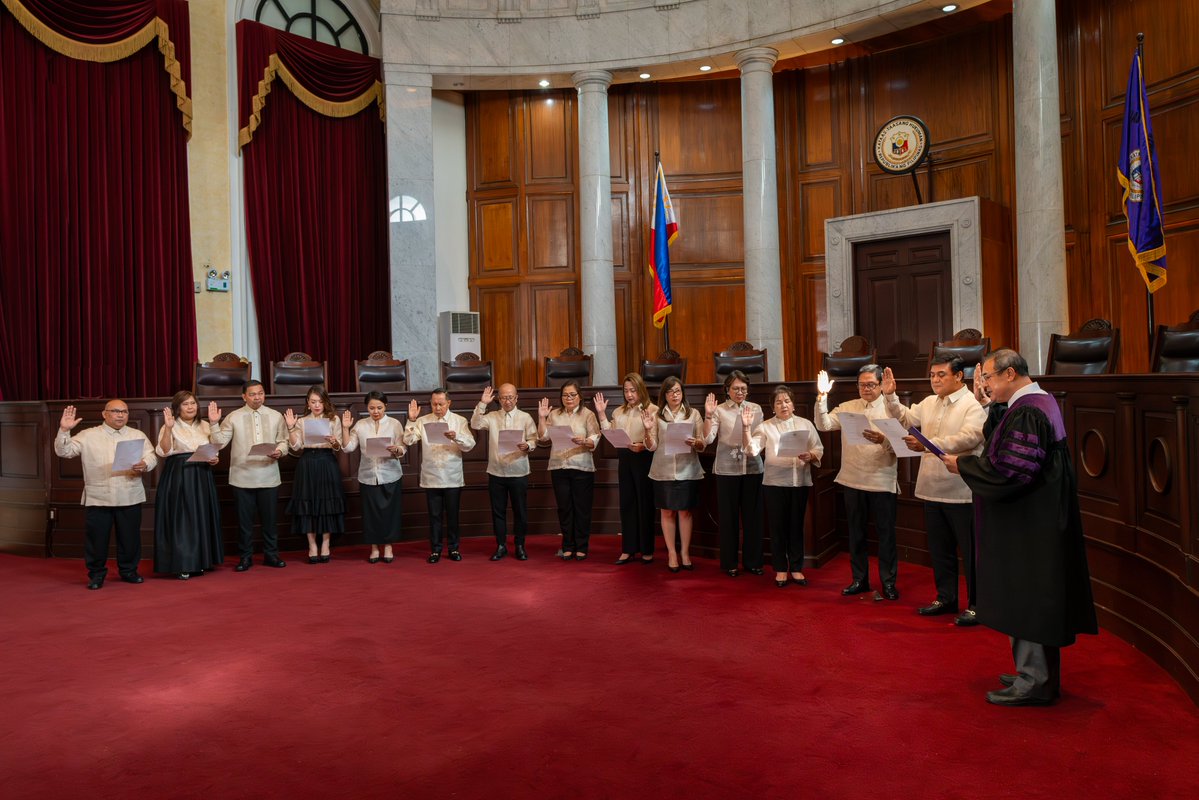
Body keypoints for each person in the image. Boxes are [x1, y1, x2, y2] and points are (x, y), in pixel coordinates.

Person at [943, 349, 1098, 706]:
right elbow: (1004, 442)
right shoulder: (1036, 403)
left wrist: (963, 466)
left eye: (990, 379)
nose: (986, 385)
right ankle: (1032, 672)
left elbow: (1010, 470)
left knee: (1029, 597)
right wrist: (992, 404)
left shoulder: (1029, 412)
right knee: (1027, 595)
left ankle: (1035, 681)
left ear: (1010, 374)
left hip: (1030, 524)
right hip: (1035, 519)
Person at [881, 358, 986, 624]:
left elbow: (970, 437)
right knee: (940, 551)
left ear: (960, 376)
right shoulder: (929, 402)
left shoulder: (971, 405)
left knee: (972, 554)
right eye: (932, 375)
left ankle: (978, 605)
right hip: (931, 488)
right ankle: (946, 598)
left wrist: (927, 444)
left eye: (941, 374)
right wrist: (890, 395)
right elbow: (905, 418)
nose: (935, 380)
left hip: (961, 491)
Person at [814, 364, 900, 600]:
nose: (866, 389)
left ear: (882, 385)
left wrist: (884, 440)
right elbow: (824, 425)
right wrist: (822, 397)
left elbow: (902, 447)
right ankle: (859, 579)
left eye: (871, 384)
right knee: (856, 534)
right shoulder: (849, 407)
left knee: (886, 536)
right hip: (852, 478)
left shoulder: (893, 408)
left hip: (882, 479)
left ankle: (889, 582)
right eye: (862, 384)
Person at [54, 400, 157, 589]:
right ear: (104, 414)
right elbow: (64, 451)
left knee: (130, 538)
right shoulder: (88, 435)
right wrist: (64, 430)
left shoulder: (136, 434)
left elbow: (151, 456)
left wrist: (146, 463)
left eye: (124, 411)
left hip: (129, 494)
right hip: (99, 496)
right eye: (116, 411)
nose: (120, 415)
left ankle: (129, 571)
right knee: (97, 539)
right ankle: (96, 575)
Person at [747, 385, 823, 588]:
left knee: (796, 526)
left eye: (787, 401)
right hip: (774, 483)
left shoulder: (805, 424)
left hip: (799, 482)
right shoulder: (765, 427)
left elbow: (818, 448)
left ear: (793, 404)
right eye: (778, 402)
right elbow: (752, 450)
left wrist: (811, 455)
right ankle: (781, 569)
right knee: (778, 527)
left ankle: (797, 568)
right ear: (773, 407)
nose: (784, 405)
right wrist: (747, 429)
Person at [209, 380, 289, 571]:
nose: (257, 397)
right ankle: (245, 558)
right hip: (242, 478)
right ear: (244, 396)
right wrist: (213, 423)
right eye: (252, 394)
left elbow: (283, 441)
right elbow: (219, 443)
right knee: (244, 523)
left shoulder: (276, 416)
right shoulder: (233, 417)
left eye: (260, 393)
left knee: (270, 521)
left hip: (269, 476)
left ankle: (271, 555)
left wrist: (280, 451)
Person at [153, 391, 222, 580]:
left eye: (193, 403)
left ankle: (201, 561)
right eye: (185, 404)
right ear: (177, 408)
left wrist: (214, 459)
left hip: (202, 473)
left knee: (201, 516)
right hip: (179, 473)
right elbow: (164, 451)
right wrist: (167, 428)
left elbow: (216, 446)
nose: (190, 407)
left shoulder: (205, 425)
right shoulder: (170, 425)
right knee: (182, 519)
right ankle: (183, 563)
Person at [703, 370, 765, 577]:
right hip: (727, 469)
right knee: (728, 518)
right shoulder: (719, 410)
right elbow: (708, 438)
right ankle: (729, 562)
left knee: (753, 518)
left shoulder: (755, 409)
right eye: (736, 389)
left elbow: (759, 436)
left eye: (744, 389)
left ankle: (753, 562)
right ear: (727, 390)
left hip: (752, 467)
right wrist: (708, 415)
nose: (740, 392)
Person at [404, 388, 475, 563]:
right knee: (434, 516)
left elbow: (470, 445)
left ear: (448, 403)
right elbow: (409, 441)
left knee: (452, 516)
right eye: (434, 404)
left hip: (452, 475)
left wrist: (456, 437)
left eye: (441, 404)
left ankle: (453, 548)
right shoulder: (422, 420)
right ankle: (435, 550)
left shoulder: (459, 421)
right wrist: (411, 420)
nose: (437, 407)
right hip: (431, 475)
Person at [594, 373, 657, 565]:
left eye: (633, 390)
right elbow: (610, 432)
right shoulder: (619, 412)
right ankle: (628, 549)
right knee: (627, 503)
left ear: (641, 390)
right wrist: (602, 414)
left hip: (644, 457)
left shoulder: (653, 409)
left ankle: (646, 549)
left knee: (645, 504)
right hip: (625, 458)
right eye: (626, 391)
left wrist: (643, 446)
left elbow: (656, 438)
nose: (629, 395)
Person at [470, 383, 537, 561]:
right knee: (498, 511)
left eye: (510, 397)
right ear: (498, 399)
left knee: (520, 511)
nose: (507, 401)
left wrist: (528, 445)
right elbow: (475, 424)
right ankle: (501, 546)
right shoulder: (491, 416)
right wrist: (483, 403)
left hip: (519, 471)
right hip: (496, 472)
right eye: (504, 398)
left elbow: (533, 438)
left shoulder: (525, 417)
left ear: (516, 398)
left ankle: (520, 546)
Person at [645, 376, 705, 573]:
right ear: (665, 395)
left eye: (678, 391)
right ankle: (672, 553)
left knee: (685, 511)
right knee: (667, 512)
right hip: (663, 470)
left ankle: (685, 552)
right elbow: (652, 446)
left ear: (683, 393)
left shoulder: (693, 413)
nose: (674, 395)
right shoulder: (657, 415)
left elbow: (703, 444)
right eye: (670, 392)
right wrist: (647, 431)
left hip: (688, 469)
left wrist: (695, 442)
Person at [537, 380, 601, 561]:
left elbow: (595, 438)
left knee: (582, 509)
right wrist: (542, 418)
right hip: (559, 466)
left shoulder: (588, 414)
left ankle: (581, 546)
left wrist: (585, 441)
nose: (569, 398)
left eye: (572, 395)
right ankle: (567, 545)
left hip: (581, 467)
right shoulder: (555, 414)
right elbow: (542, 437)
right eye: (565, 395)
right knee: (564, 508)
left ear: (579, 396)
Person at [342, 391, 406, 564]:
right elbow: (348, 448)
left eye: (379, 407)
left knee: (390, 513)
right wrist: (345, 428)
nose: (375, 411)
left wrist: (397, 450)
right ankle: (374, 548)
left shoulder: (394, 424)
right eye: (371, 408)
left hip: (390, 474)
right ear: (367, 408)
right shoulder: (361, 425)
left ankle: (388, 546)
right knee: (371, 514)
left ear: (386, 406)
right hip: (368, 475)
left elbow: (403, 447)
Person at [285, 385, 346, 564]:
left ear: (325, 402)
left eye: (320, 401)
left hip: (327, 461)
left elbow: (339, 447)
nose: (317, 405)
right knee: (307, 502)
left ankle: (326, 543)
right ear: (308, 403)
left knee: (328, 502)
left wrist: (334, 441)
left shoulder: (334, 420)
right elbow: (295, 447)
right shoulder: (301, 421)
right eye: (313, 402)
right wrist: (290, 428)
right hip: (308, 462)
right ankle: (312, 545)